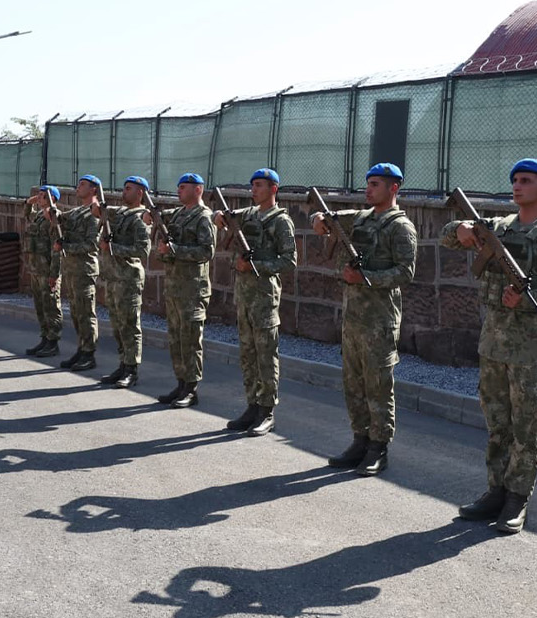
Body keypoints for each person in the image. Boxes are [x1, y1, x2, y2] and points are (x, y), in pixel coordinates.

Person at [443, 159, 537, 533]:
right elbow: (446, 236)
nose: (518, 186)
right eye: (515, 181)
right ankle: (495, 491)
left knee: (526, 427)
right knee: (497, 423)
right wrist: (464, 229)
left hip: (530, 347)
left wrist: (528, 297)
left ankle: (517, 499)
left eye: (527, 181)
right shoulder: (497, 229)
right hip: (493, 342)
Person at [311, 163, 417, 477]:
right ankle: (359, 440)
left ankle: (378, 448)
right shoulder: (360, 217)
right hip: (354, 318)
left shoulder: (401, 227)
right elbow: (326, 221)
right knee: (353, 384)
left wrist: (365, 276)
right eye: (368, 183)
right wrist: (319, 221)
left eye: (375, 184)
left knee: (378, 385)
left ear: (393, 188)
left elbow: (405, 273)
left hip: (379, 320)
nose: (368, 189)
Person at [215, 168, 296, 436]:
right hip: (245, 296)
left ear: (273, 189)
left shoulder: (280, 221)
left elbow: (289, 261)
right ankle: (252, 405)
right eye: (252, 185)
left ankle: (267, 411)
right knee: (247, 354)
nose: (254, 190)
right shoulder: (248, 215)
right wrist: (219, 219)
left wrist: (255, 265)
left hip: (264, 297)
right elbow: (226, 220)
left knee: (265, 355)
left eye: (260, 185)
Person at [156, 173, 216, 408]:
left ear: (198, 190)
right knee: (176, 339)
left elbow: (206, 252)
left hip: (192, 289)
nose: (179, 190)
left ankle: (191, 389)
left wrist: (175, 250)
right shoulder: (179, 214)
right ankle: (180, 383)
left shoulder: (204, 217)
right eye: (178, 187)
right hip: (175, 287)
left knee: (190, 340)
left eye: (184, 187)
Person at [97, 176, 151, 388]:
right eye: (124, 187)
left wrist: (112, 249)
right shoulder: (119, 214)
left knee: (129, 325)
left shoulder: (142, 217)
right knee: (117, 325)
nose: (123, 192)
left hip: (128, 277)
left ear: (140, 193)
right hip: (113, 277)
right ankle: (122, 363)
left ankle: (132, 369)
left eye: (129, 189)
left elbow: (142, 250)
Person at [54, 175, 103, 371]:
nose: (78, 187)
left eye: (83, 185)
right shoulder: (77, 212)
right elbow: (58, 219)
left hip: (84, 270)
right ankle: (81, 349)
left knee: (85, 313)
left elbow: (91, 245)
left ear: (93, 190)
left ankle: (89, 353)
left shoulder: (94, 213)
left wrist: (67, 245)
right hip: (72, 269)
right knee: (76, 313)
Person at [22, 186, 63, 357]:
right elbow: (27, 214)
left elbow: (57, 248)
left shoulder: (54, 217)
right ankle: (45, 338)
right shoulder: (39, 216)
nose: (39, 198)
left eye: (43, 196)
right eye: (38, 195)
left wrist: (54, 274)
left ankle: (53, 342)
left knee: (51, 307)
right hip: (37, 270)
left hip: (47, 271)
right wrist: (28, 202)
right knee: (40, 307)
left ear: (52, 198)